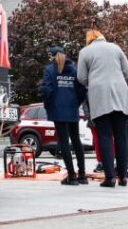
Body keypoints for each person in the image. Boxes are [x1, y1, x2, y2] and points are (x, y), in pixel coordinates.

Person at [77, 29, 128, 187]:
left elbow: (81, 77)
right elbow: (127, 71)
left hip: (100, 96)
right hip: (120, 94)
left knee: (104, 136)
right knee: (121, 136)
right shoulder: (115, 48)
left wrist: (95, 79)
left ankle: (110, 177)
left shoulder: (85, 52)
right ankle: (123, 176)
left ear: (89, 39)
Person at [41, 46, 88, 185]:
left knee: (64, 142)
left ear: (52, 56)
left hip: (57, 109)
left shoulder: (50, 70)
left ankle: (72, 176)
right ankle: (83, 176)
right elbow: (81, 89)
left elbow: (46, 90)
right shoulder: (74, 69)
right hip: (72, 109)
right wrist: (75, 103)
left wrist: (48, 105)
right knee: (76, 141)